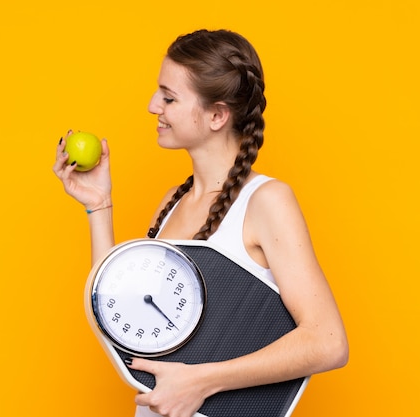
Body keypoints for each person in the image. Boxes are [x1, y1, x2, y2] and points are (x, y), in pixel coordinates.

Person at [53, 29, 349, 417]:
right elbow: (122, 317)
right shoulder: (173, 202)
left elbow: (327, 342)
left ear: (216, 115)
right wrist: (99, 205)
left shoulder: (266, 201)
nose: (151, 105)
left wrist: (202, 380)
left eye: (169, 97)